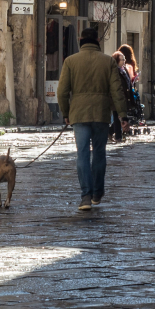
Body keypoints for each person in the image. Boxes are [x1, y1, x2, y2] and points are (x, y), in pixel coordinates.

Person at [57, 28, 127, 210]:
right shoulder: (108, 62)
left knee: (82, 153)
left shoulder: (70, 61)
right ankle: (97, 192)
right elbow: (116, 91)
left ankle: (85, 197)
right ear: (97, 40)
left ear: (81, 40)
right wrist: (123, 114)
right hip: (101, 114)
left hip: (79, 114)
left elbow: (62, 91)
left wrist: (66, 113)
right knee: (99, 153)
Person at [118, 44, 142, 131]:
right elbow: (132, 78)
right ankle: (119, 129)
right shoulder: (129, 65)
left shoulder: (120, 65)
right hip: (128, 92)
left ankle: (118, 130)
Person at [109, 52, 130, 143]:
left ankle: (111, 133)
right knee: (117, 117)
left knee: (119, 117)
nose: (124, 61)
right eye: (122, 59)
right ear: (117, 61)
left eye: (124, 59)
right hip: (116, 98)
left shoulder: (123, 70)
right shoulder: (115, 71)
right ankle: (117, 136)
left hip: (123, 96)